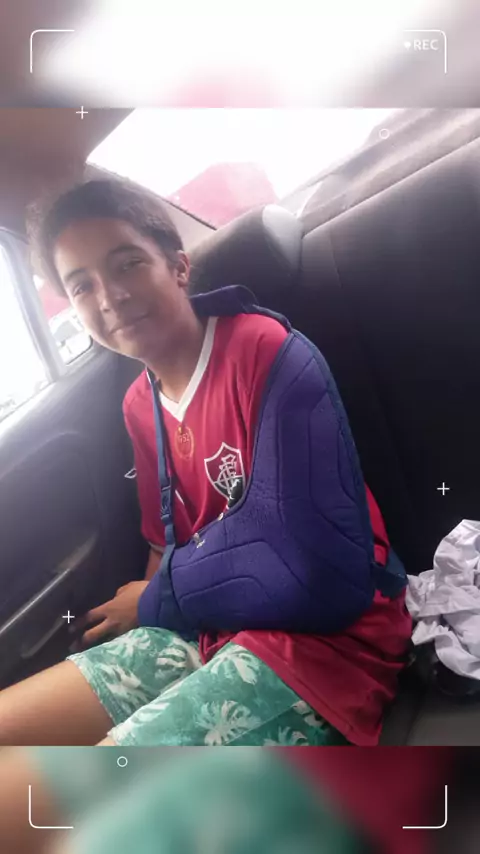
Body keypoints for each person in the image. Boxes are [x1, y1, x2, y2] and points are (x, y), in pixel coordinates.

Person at [0, 178, 411, 757]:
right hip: (208, 621)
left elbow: (311, 566)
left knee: (79, 793)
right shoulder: (139, 405)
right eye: (82, 285)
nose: (110, 296)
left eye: (128, 264)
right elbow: (167, 543)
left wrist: (154, 600)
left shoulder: (264, 350)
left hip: (324, 643)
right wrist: (151, 624)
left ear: (179, 267)